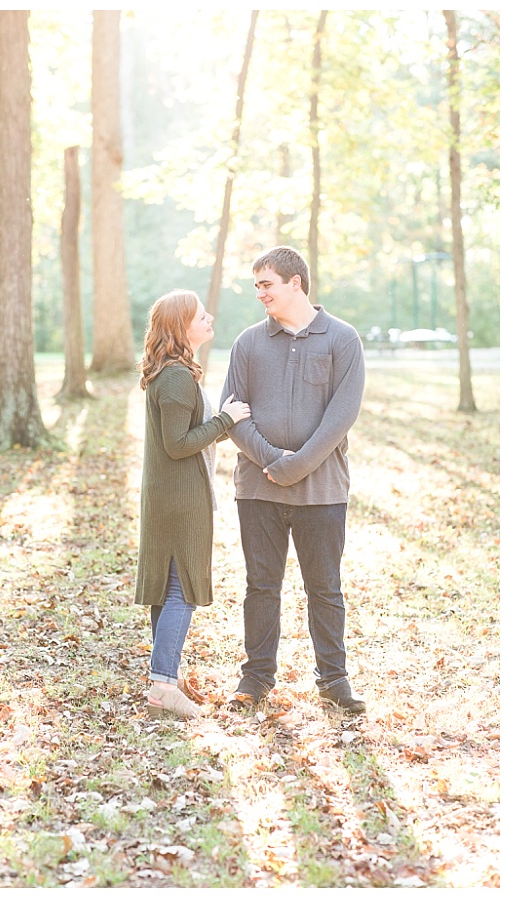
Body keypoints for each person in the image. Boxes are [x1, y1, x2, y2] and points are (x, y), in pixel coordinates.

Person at [220, 245, 366, 715]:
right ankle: (256, 677)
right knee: (261, 586)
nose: (259, 293)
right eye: (257, 285)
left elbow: (342, 416)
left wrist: (296, 466)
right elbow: (232, 411)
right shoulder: (247, 342)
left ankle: (334, 681)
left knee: (324, 587)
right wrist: (271, 460)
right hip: (258, 486)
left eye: (266, 284)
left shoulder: (342, 338)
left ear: (295, 282)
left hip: (322, 491)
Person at [134, 290, 250, 719]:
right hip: (181, 498)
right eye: (201, 315)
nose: (209, 317)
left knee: (166, 590)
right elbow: (178, 444)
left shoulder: (170, 373)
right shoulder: (178, 378)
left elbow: (186, 436)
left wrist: (223, 422)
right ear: (182, 326)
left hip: (167, 495)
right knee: (181, 587)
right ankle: (162, 683)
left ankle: (163, 679)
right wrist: (226, 420)